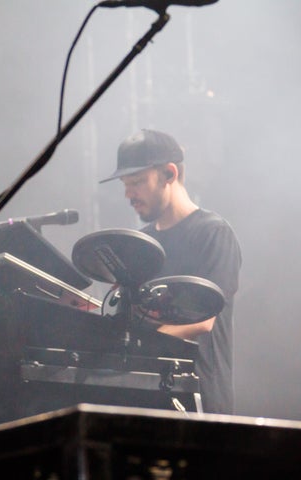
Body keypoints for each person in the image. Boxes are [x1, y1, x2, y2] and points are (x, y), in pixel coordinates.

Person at [100, 129, 241, 414]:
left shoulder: (212, 233)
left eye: (137, 182)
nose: (128, 194)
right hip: (144, 399)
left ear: (169, 173)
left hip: (199, 400)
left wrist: (144, 347)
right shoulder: (138, 245)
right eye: (125, 185)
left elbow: (203, 321)